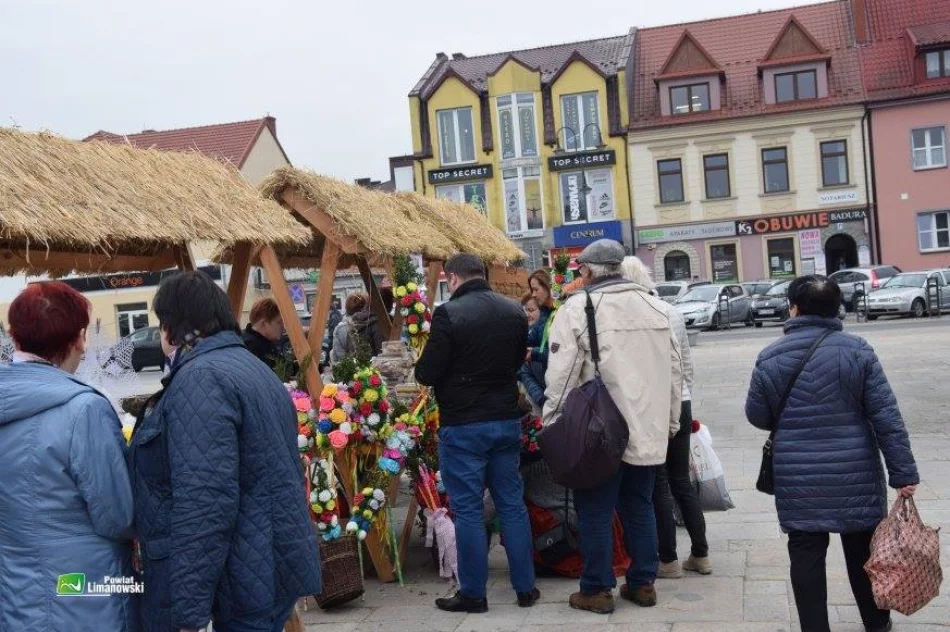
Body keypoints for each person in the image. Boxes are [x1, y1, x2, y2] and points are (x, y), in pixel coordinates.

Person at [129, 271, 321, 632]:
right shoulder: (251, 368)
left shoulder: (201, 378)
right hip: (267, 568)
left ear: (173, 326)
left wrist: (189, 614)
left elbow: (205, 500)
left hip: (238, 584)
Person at [745, 275, 918, 632]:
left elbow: (758, 416)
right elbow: (886, 416)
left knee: (806, 553)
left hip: (798, 475)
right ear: (837, 308)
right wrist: (903, 473)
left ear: (793, 307)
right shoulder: (858, 350)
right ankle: (876, 623)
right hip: (854, 473)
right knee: (862, 553)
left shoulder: (769, 357)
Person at [544, 240, 682, 614]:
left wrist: (552, 421)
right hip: (647, 427)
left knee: (596, 511)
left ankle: (596, 588)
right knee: (639, 506)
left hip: (599, 431)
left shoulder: (579, 307)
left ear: (588, 271)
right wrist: (670, 423)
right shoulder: (658, 307)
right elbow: (675, 373)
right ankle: (643, 583)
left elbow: (563, 373)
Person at [0, 282, 136, 631]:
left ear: (15, 340)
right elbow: (117, 515)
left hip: (15, 592)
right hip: (86, 594)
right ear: (78, 338)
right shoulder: (85, 409)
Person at [415, 254, 539, 613]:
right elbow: (518, 360)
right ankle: (526, 588)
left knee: (467, 510)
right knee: (512, 506)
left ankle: (473, 593)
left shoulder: (448, 314)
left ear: (452, 279)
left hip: (464, 423)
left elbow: (428, 372)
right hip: (504, 419)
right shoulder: (514, 310)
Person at [621, 256, 710, 578]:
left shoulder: (633, 313)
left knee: (658, 483)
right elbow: (686, 363)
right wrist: (685, 397)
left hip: (654, 405)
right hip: (681, 400)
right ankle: (701, 553)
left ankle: (668, 559)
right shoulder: (670, 310)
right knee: (681, 481)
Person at [518, 293, 547, 410]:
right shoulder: (527, 337)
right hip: (541, 401)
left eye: (531, 310)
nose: (527, 315)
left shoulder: (549, 335)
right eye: (525, 311)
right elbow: (524, 374)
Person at [331, 292, 376, 363]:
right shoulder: (373, 322)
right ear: (365, 306)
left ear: (346, 308)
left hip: (350, 370)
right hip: (373, 370)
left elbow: (339, 358)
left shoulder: (340, 329)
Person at [242, 298, 283, 369]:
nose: (283, 327)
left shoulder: (266, 342)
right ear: (263, 323)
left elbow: (285, 365)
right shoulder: (250, 347)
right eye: (279, 322)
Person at [527, 269, 555, 371]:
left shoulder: (562, 311)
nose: (533, 294)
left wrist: (534, 352)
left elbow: (559, 354)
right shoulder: (545, 311)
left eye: (536, 289)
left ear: (548, 287)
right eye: (532, 290)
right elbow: (531, 337)